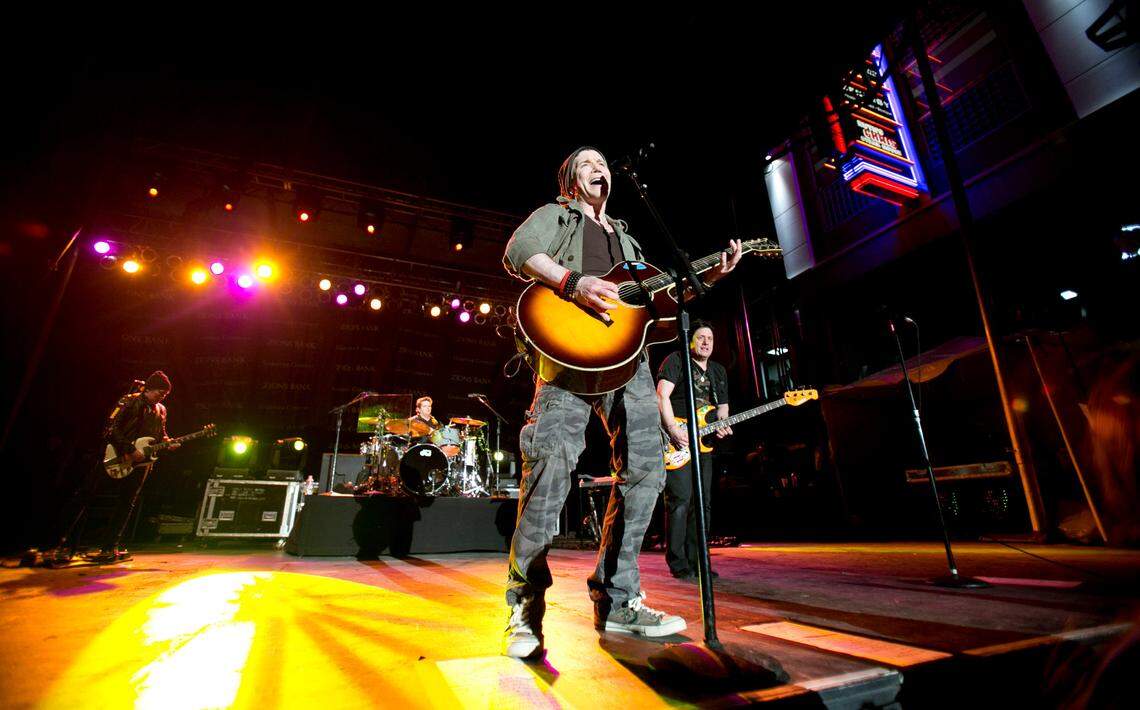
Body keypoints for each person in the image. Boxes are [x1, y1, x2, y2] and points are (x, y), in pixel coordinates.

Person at [500, 146, 741, 658]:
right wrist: (573, 282)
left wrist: (710, 277)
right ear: (570, 178)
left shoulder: (627, 238)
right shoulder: (555, 216)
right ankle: (524, 605)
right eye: (587, 163)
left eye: (603, 163)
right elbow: (520, 252)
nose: (599, 168)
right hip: (568, 360)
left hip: (628, 366)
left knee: (649, 471)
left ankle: (618, 598)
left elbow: (655, 302)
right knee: (549, 475)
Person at [53, 371, 178, 565]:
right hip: (116, 456)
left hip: (141, 464)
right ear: (150, 388)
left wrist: (168, 442)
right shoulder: (130, 401)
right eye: (160, 392)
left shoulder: (161, 409)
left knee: (126, 503)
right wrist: (128, 450)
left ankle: (109, 546)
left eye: (165, 394)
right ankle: (61, 544)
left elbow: (160, 434)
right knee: (86, 496)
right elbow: (111, 428)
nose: (162, 396)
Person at [656, 321, 731, 580]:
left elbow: (722, 408)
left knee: (703, 503)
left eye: (710, 338)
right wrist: (672, 430)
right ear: (690, 340)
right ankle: (678, 563)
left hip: (704, 443)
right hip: (678, 438)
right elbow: (661, 396)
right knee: (680, 500)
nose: (706, 342)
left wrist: (722, 425)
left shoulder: (718, 371)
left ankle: (699, 562)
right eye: (701, 338)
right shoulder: (676, 361)